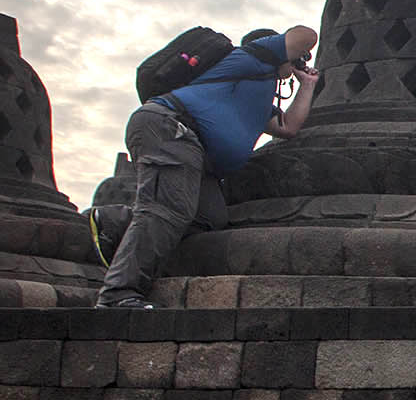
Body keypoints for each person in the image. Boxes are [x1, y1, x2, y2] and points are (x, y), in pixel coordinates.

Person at [90, 25, 319, 308]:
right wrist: (293, 53)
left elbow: (288, 127)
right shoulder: (251, 57)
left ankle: (116, 222)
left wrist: (306, 85)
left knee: (209, 217)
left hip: (198, 156)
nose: (304, 58)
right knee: (167, 209)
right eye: (299, 56)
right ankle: (117, 294)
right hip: (172, 129)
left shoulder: (257, 94)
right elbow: (305, 35)